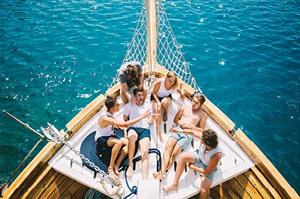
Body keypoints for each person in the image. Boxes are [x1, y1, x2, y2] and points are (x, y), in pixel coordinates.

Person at [95, 96, 150, 180]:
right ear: (112, 108)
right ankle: (111, 167)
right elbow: (126, 124)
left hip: (110, 134)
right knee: (119, 143)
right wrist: (142, 117)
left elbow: (107, 103)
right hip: (102, 138)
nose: (119, 104)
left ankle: (117, 163)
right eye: (117, 104)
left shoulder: (108, 107)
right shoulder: (106, 118)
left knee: (129, 143)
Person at [153, 94, 207, 180]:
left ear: (200, 105)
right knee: (167, 147)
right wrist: (181, 123)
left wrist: (190, 126)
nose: (193, 103)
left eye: (196, 103)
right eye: (193, 101)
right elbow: (176, 119)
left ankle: (161, 172)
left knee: (174, 153)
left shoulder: (203, 115)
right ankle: (162, 173)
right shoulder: (185, 107)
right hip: (178, 129)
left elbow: (201, 130)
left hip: (188, 134)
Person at [163, 129, 223, 199]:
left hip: (207, 166)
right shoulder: (206, 138)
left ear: (206, 143)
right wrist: (178, 131)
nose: (201, 138)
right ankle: (175, 184)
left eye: (202, 140)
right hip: (199, 155)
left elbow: (207, 172)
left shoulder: (216, 155)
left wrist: (193, 168)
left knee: (204, 191)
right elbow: (192, 132)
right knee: (182, 157)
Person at [123, 88, 156, 179]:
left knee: (145, 152)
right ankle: (130, 164)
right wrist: (125, 131)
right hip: (133, 128)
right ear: (134, 97)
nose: (141, 97)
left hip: (144, 130)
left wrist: (152, 118)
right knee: (132, 138)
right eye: (139, 95)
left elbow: (150, 123)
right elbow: (124, 119)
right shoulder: (128, 106)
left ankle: (144, 178)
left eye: (142, 95)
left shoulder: (148, 105)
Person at [151, 71, 185, 142]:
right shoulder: (160, 82)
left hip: (166, 97)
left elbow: (182, 84)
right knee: (158, 108)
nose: (171, 83)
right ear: (166, 78)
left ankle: (165, 112)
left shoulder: (174, 83)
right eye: (170, 81)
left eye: (173, 81)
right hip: (156, 97)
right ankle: (159, 132)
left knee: (164, 102)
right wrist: (157, 101)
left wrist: (182, 93)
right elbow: (154, 93)